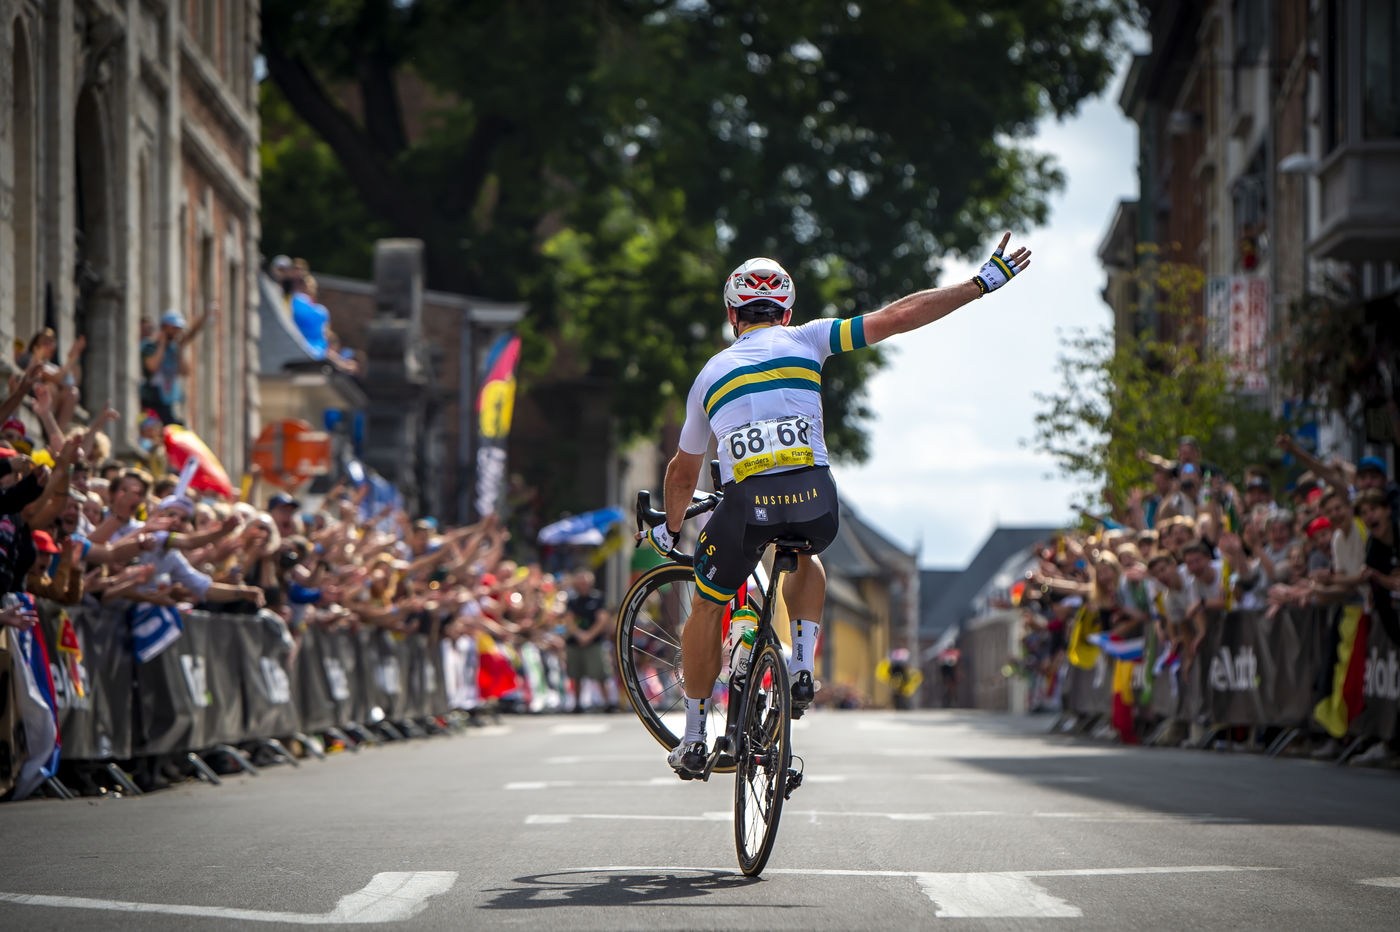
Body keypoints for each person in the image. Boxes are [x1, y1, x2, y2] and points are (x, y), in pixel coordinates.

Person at [639, 233, 1030, 778]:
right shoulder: (811, 338)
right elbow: (898, 317)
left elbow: (683, 472)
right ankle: (802, 668)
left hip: (746, 505)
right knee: (804, 551)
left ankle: (695, 737)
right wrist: (978, 284)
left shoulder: (710, 374)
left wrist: (668, 529)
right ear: (787, 312)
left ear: (732, 316)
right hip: (814, 499)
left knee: (706, 605)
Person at [141, 306, 211, 425]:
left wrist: (180, 350)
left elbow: (185, 371)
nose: (176, 332)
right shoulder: (150, 345)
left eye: (178, 329)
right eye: (174, 328)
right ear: (165, 327)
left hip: (168, 401)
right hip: (151, 401)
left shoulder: (174, 348)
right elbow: (152, 367)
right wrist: (162, 344)